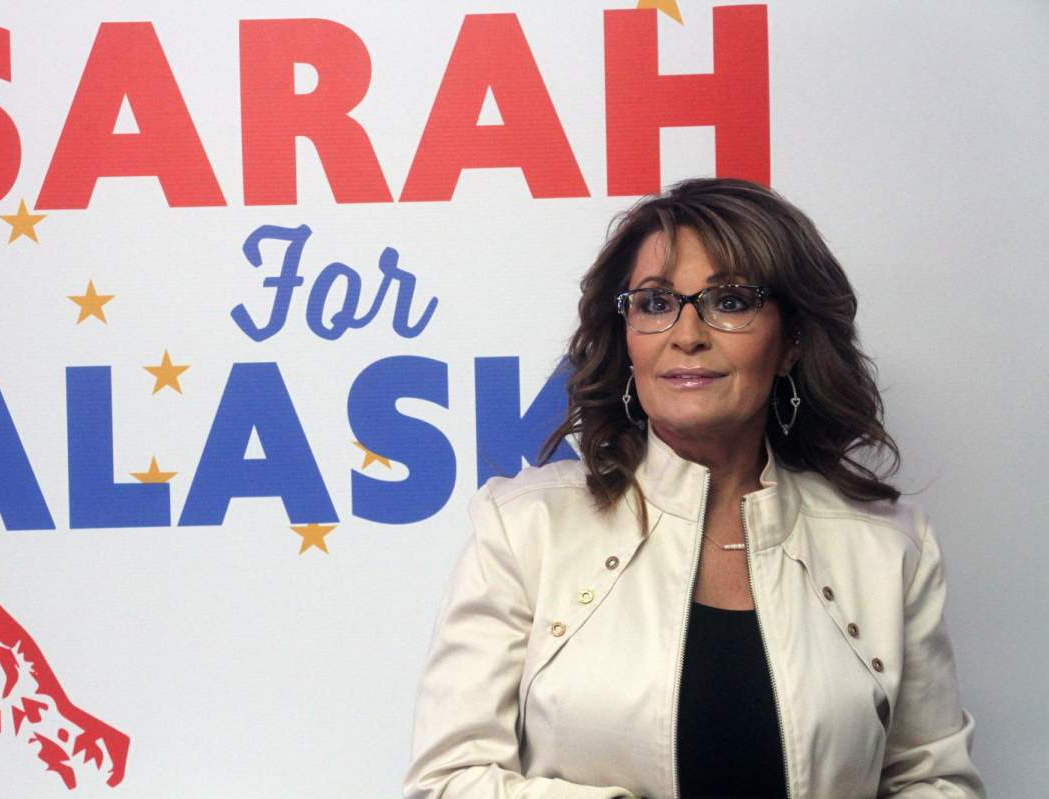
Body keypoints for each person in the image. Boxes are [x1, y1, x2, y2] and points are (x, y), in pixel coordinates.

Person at [403, 178, 985, 798]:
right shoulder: (524, 528)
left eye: (730, 301)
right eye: (655, 303)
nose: (687, 334)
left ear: (789, 342)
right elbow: (448, 783)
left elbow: (937, 781)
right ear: (627, 338)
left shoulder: (888, 545)